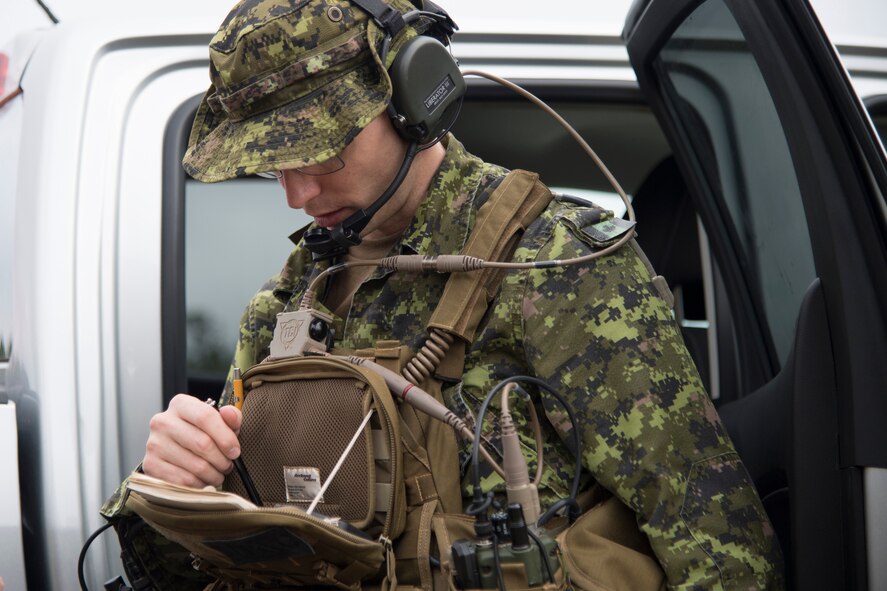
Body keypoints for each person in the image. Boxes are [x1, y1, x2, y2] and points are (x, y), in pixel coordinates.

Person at [102, 0, 785, 588]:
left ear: (412, 96)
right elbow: (195, 569)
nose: (298, 192)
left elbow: (715, 540)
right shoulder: (287, 307)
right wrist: (168, 488)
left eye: (321, 150)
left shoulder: (554, 264)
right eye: (274, 162)